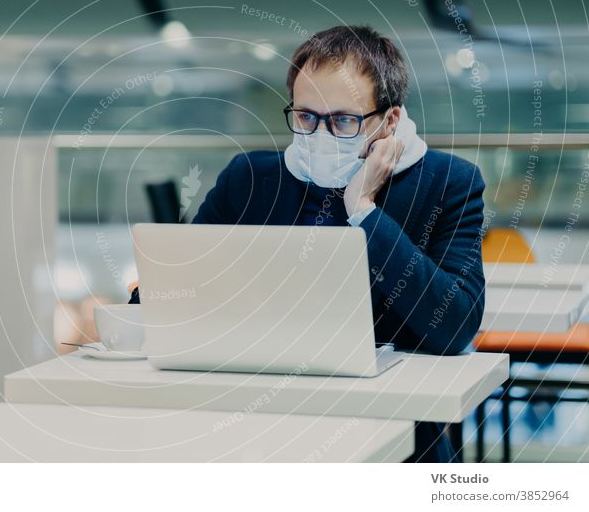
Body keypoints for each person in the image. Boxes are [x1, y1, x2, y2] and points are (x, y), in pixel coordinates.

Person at [130, 25, 486, 463]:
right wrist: (151, 294)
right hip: (257, 427)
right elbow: (175, 292)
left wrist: (366, 213)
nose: (319, 134)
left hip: (394, 431)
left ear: (389, 120)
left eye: (342, 120)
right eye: (305, 117)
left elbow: (454, 326)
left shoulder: (448, 184)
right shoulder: (250, 180)